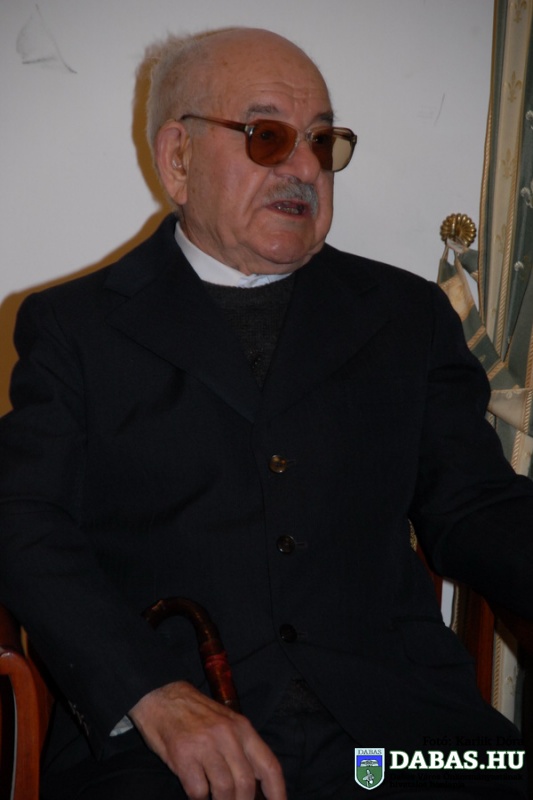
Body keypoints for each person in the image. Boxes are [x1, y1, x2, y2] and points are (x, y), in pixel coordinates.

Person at [0, 26, 532, 800]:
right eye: (268, 136)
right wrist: (149, 693)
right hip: (164, 747)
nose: (305, 167)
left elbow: (475, 507)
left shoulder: (405, 316)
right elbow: (21, 522)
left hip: (404, 739)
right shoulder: (75, 329)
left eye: (321, 141)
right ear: (177, 159)